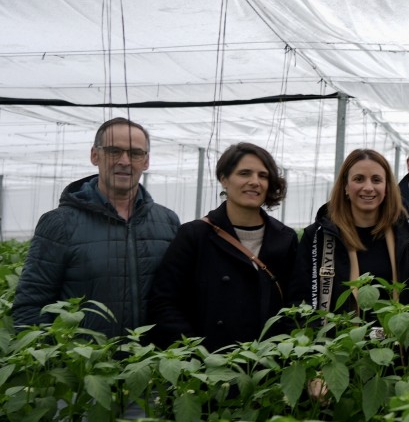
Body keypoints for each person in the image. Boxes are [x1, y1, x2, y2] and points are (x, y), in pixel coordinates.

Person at [13, 117, 179, 336]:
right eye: (114, 151)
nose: (125, 161)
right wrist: (52, 355)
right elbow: (31, 305)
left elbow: (180, 298)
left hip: (151, 357)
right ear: (95, 155)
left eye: (135, 153)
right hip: (85, 357)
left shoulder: (167, 221)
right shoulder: (60, 223)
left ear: (146, 161)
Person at [148, 143, 298, 350]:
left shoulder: (284, 239)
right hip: (209, 361)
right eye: (244, 173)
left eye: (263, 176)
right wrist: (194, 354)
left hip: (268, 360)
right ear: (224, 179)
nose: (255, 182)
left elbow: (296, 304)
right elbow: (165, 301)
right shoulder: (195, 236)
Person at [290, 149, 409, 311]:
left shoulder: (405, 235)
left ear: (386, 187)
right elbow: (300, 298)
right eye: (359, 179)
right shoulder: (318, 236)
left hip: (392, 327)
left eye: (376, 180)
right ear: (345, 186)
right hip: (335, 328)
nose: (368, 187)